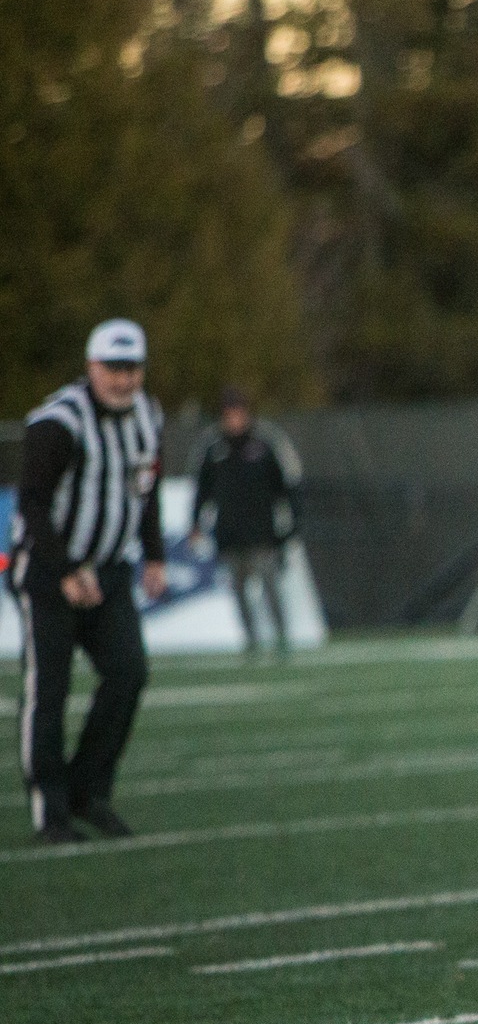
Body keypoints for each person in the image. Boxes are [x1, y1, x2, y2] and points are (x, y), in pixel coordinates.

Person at [9, 319, 167, 843]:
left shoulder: (148, 416)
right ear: (91, 367)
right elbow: (30, 502)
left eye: (132, 369)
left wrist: (155, 555)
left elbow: (145, 486)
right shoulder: (58, 423)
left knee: (129, 673)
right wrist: (64, 570)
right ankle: (50, 811)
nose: (124, 380)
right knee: (48, 691)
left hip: (108, 568)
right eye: (113, 369)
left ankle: (88, 789)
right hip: (49, 570)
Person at [190, 386, 302, 655]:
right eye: (229, 414)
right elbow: (202, 490)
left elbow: (287, 485)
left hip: (262, 531)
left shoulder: (265, 442)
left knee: (269, 586)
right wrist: (195, 523)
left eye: (238, 413)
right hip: (229, 533)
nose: (234, 420)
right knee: (239, 590)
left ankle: (281, 637)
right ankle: (251, 640)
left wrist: (292, 522)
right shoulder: (213, 447)